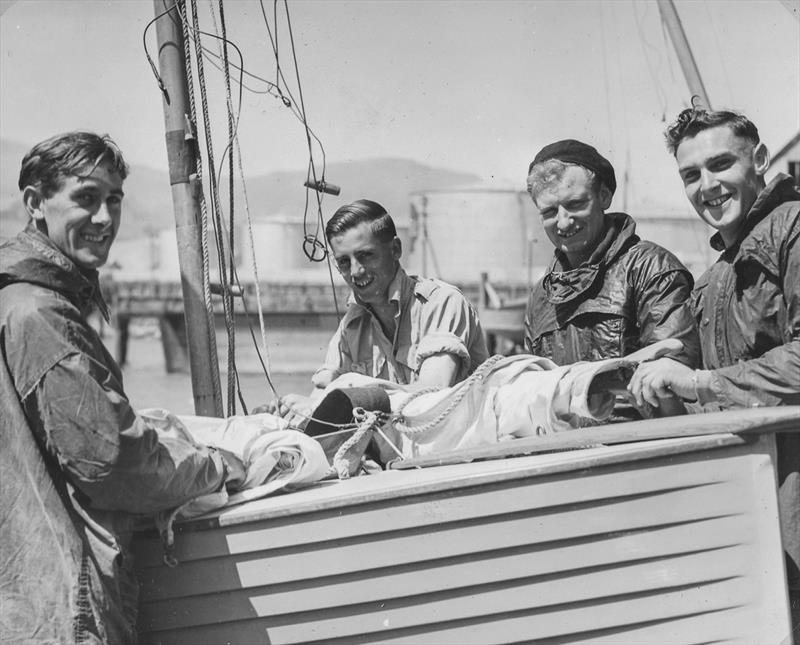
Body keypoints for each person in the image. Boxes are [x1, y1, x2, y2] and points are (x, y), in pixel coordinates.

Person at [0, 132, 245, 644]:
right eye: (86, 198)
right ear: (35, 203)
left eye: (114, 200)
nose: (105, 218)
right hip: (63, 606)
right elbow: (115, 465)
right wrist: (217, 465)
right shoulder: (42, 315)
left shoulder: (15, 300)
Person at [628, 107, 800, 622]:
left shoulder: (793, 229)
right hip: (763, 505)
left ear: (761, 160)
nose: (708, 185)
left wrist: (701, 382)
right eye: (690, 175)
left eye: (721, 164)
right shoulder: (713, 278)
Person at [268, 199, 489, 427]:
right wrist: (298, 409)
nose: (356, 271)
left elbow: (431, 394)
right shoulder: (351, 326)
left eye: (366, 255)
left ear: (395, 249)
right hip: (397, 453)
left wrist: (349, 396)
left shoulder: (442, 303)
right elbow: (320, 395)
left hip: (459, 449)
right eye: (344, 262)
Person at [523, 139, 699, 417]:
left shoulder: (651, 269)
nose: (563, 222)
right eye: (549, 212)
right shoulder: (541, 297)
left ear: (604, 196)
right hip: (564, 449)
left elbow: (672, 378)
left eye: (576, 204)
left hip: (637, 448)